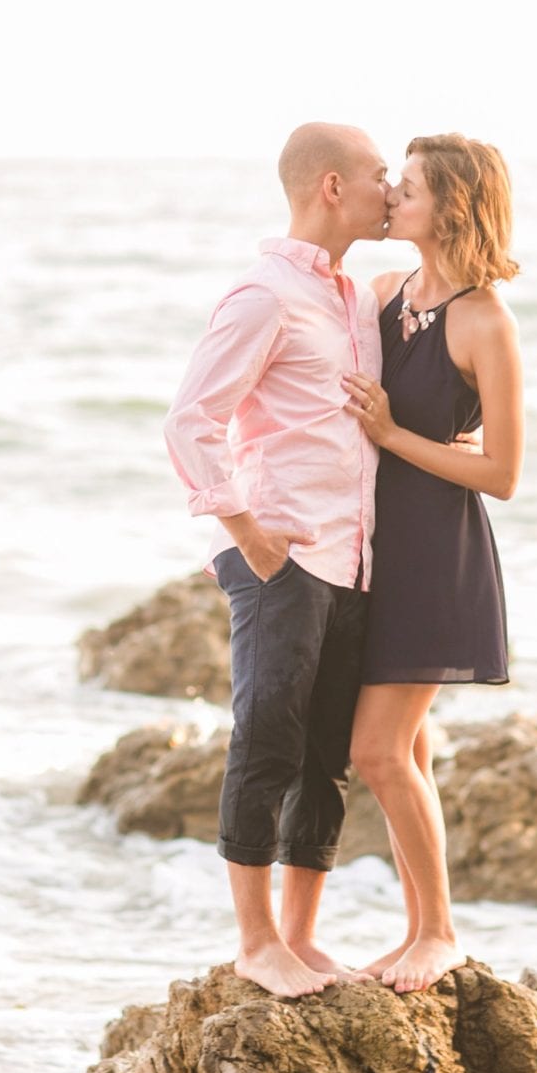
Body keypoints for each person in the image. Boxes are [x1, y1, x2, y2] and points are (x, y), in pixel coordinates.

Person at [164, 122, 392, 999]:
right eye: (379, 177)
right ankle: (256, 943)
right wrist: (246, 529)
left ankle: (300, 937)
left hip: (352, 557)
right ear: (332, 186)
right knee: (268, 740)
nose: (390, 191)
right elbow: (190, 418)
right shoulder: (263, 295)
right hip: (282, 555)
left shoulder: (358, 302)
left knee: (324, 754)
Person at [343, 134, 523, 995]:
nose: (391, 195)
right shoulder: (382, 294)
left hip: (437, 555)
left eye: (406, 186)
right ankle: (422, 931)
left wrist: (393, 437)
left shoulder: (485, 318)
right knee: (400, 750)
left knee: (376, 752)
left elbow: (503, 472)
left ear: (450, 205)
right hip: (370, 552)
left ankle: (439, 932)